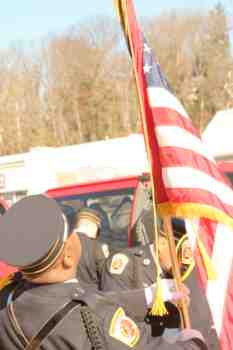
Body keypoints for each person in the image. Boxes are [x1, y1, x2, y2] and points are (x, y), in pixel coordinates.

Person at [0, 195, 207, 350]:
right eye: (74, 234)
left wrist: (150, 295)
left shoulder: (7, 304)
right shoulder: (94, 318)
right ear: (69, 255)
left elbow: (86, 300)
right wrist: (191, 341)